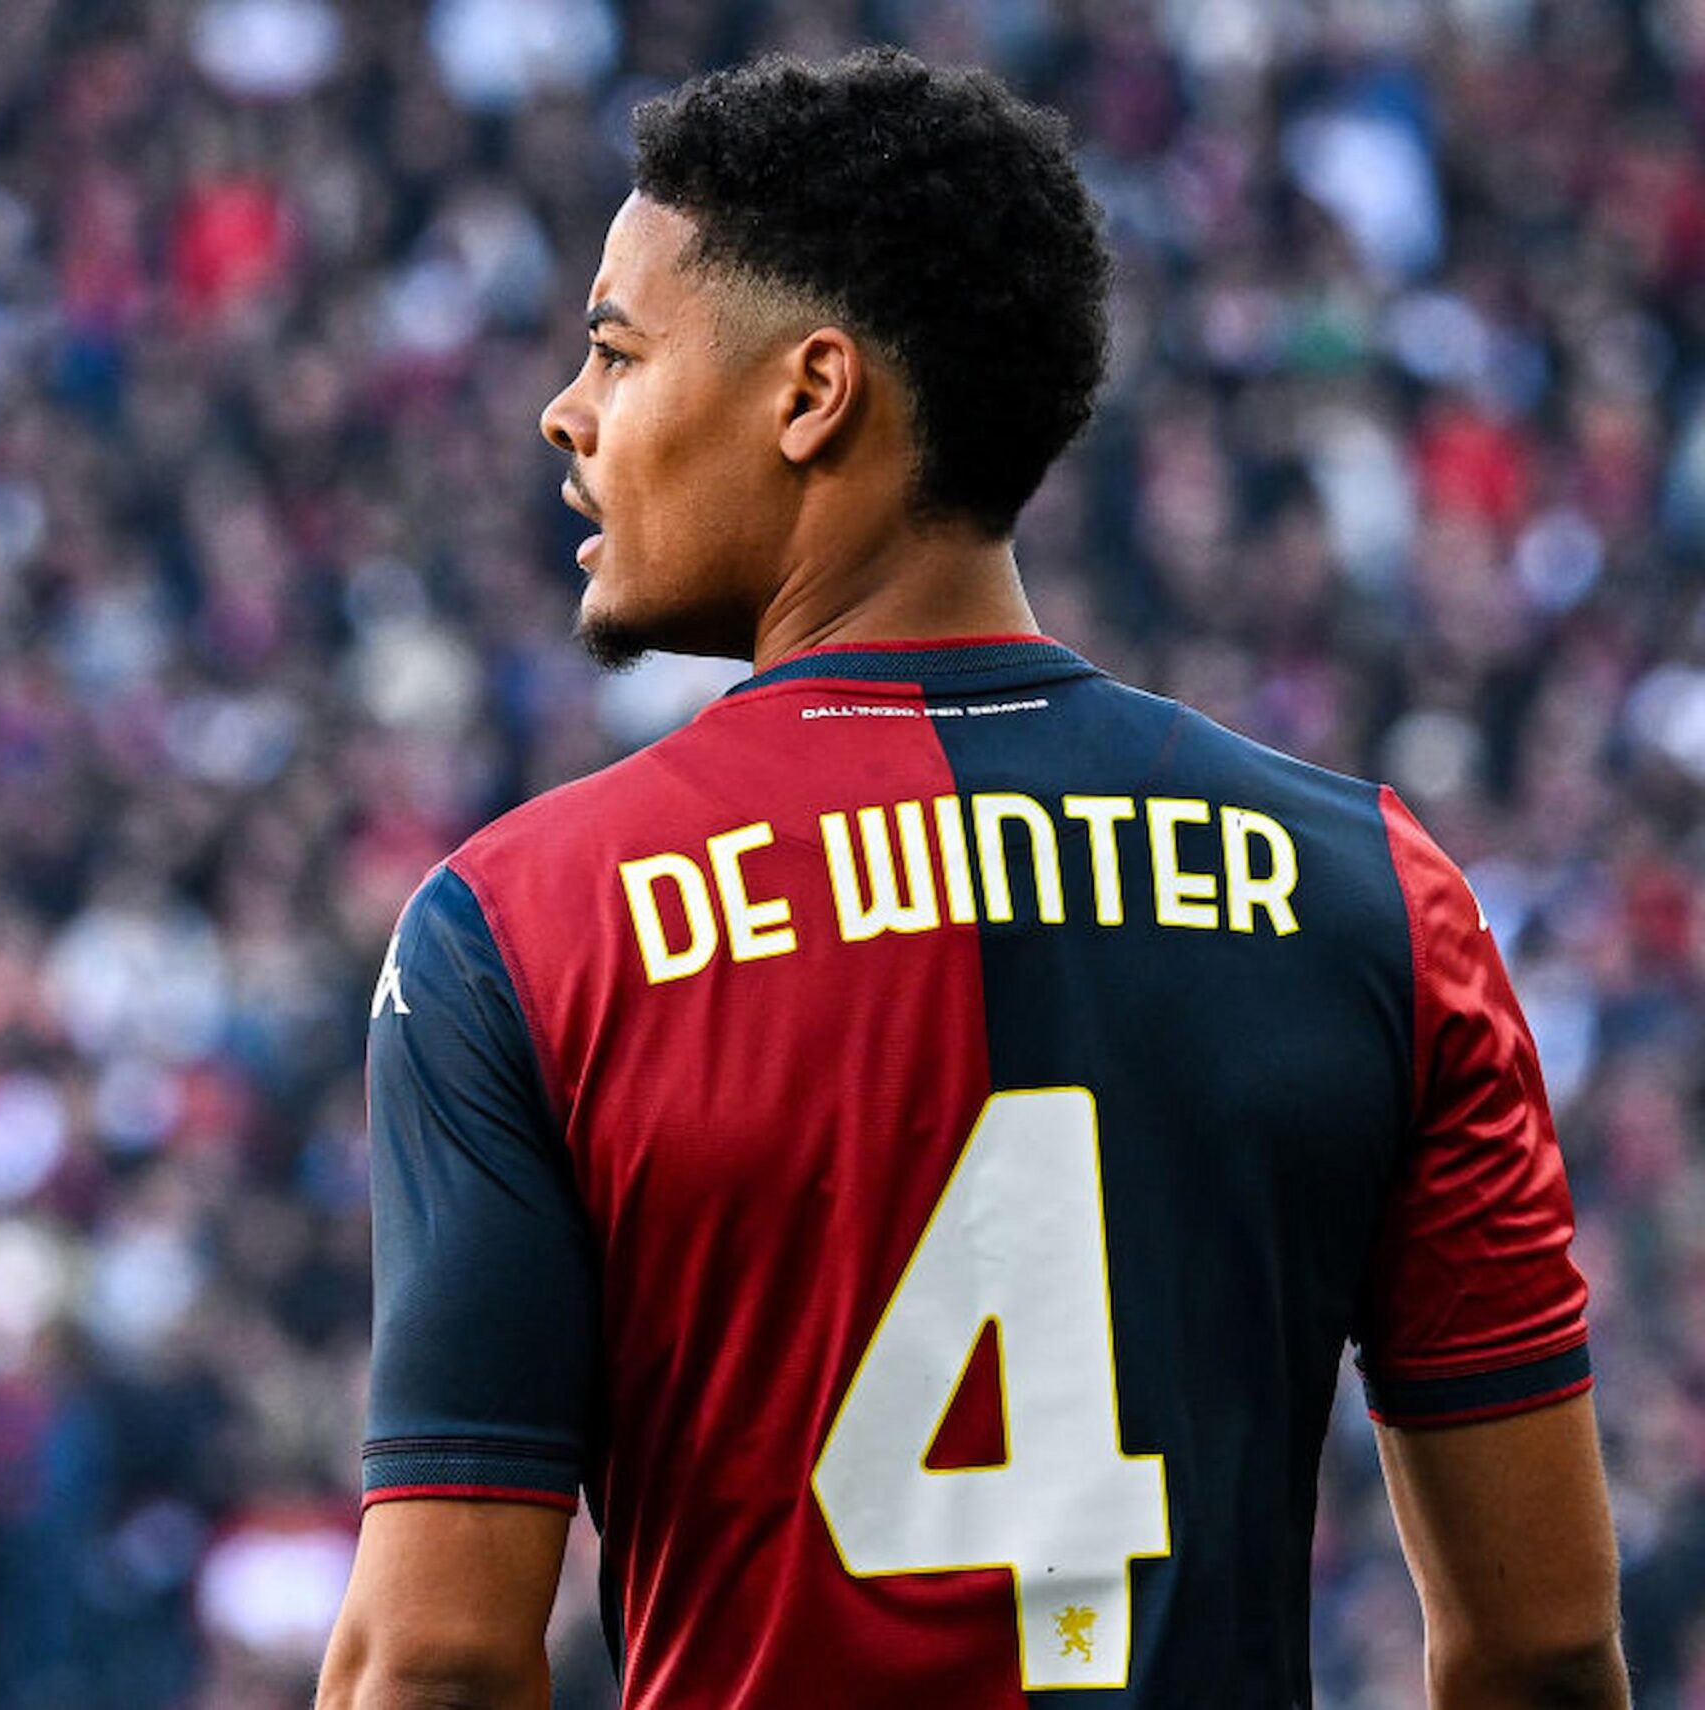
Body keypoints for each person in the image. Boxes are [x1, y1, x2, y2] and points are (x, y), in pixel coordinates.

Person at [316, 49, 1625, 1710]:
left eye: (617, 351)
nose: (565, 413)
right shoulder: (1378, 894)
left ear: (812, 394)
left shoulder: (521, 930)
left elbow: (435, 1658)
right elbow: (1540, 1645)